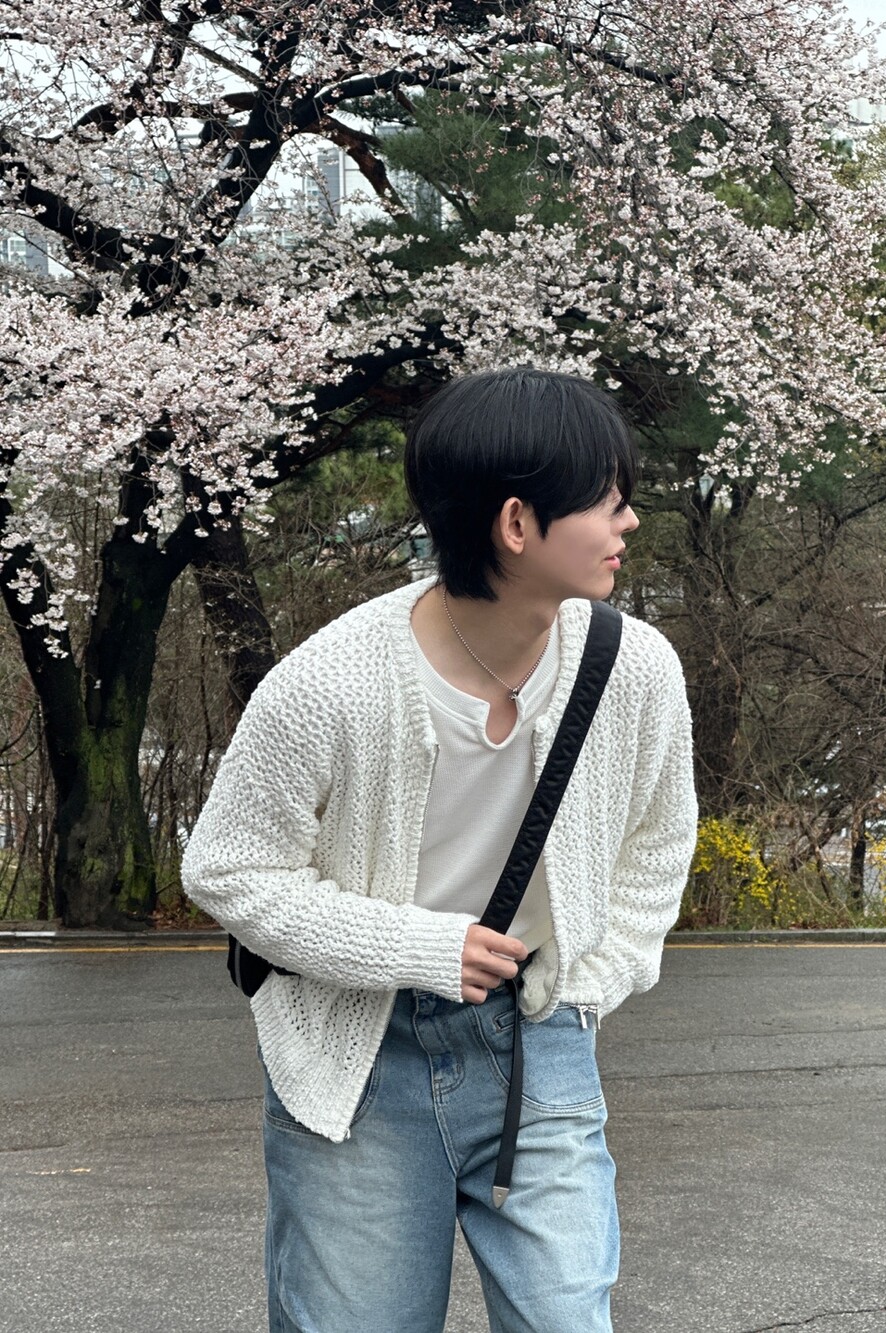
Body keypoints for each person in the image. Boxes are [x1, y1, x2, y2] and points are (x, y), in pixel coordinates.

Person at [181, 366, 698, 1333]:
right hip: (356, 1053)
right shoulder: (328, 685)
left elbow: (659, 841)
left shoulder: (635, 668)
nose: (628, 520)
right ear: (516, 523)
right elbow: (228, 868)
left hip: (539, 1036)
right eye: (605, 499)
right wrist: (420, 946)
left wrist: (592, 981)